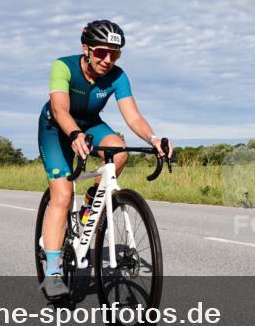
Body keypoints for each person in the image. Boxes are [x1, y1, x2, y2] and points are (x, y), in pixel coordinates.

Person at [37, 20, 172, 299]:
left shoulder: (118, 76)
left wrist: (154, 139)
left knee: (119, 151)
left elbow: (133, 116)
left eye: (115, 54)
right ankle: (53, 272)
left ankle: (90, 205)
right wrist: (73, 133)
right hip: (57, 127)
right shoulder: (63, 66)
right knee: (61, 195)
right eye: (101, 52)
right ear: (86, 49)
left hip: (90, 125)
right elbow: (60, 109)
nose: (108, 60)